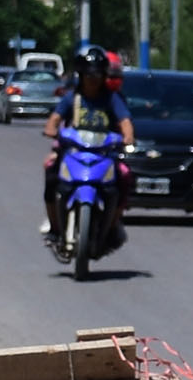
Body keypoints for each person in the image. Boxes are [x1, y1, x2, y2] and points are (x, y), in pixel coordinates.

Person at [41, 42, 134, 245]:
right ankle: (54, 226)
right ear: (81, 75)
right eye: (89, 75)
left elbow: (125, 122)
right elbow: (54, 119)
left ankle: (113, 226)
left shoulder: (112, 99)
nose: (93, 80)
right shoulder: (72, 98)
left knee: (124, 176)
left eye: (97, 75)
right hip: (72, 151)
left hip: (105, 154)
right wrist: (51, 130)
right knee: (50, 171)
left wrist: (127, 137)